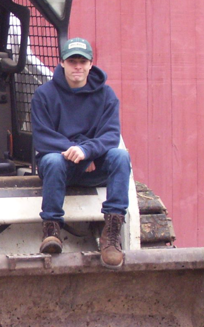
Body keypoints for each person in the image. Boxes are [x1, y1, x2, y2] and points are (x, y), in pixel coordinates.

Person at [30, 38, 131, 268]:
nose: (77, 66)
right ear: (62, 63)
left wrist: (87, 151)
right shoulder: (44, 95)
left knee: (121, 157)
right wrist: (71, 151)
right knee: (53, 160)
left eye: (82, 61)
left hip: (92, 165)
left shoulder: (107, 96)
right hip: (59, 167)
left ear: (90, 64)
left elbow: (111, 135)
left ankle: (111, 234)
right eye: (72, 61)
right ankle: (51, 230)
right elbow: (42, 136)